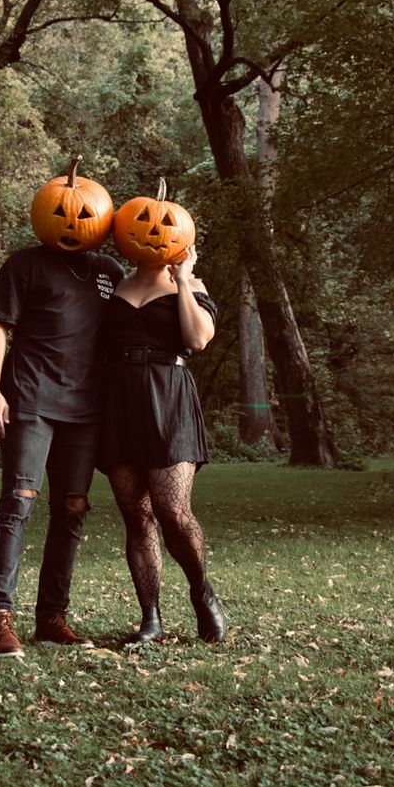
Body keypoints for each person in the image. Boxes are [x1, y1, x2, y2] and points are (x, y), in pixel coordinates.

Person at [0, 242, 124, 657]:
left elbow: (141, 314)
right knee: (19, 500)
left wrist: (183, 275)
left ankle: (51, 618)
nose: (75, 217)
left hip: (86, 408)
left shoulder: (109, 270)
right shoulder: (26, 263)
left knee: (72, 507)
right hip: (30, 399)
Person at [99, 244, 227, 645]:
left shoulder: (191, 284)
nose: (152, 235)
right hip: (119, 400)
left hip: (168, 396)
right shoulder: (114, 285)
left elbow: (198, 340)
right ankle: (149, 617)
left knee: (172, 510)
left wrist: (183, 277)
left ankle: (202, 591)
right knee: (136, 516)